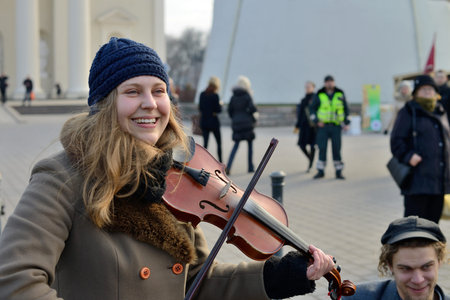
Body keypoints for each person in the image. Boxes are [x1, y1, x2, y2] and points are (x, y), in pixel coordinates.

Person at [0, 37, 335, 300]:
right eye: (132, 91)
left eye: (158, 91)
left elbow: (196, 281)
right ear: (104, 107)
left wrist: (280, 277)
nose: (150, 103)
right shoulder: (64, 176)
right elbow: (14, 279)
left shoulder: (173, 179)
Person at [343, 216, 448, 300]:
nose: (418, 280)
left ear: (439, 261)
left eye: (426, 266)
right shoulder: (355, 297)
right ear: (390, 266)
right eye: (406, 268)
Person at [391, 74, 450, 223]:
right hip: (417, 181)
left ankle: (429, 248)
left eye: (430, 89)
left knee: (432, 226)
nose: (427, 92)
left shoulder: (440, 110)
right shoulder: (409, 111)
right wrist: (409, 156)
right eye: (423, 89)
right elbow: (396, 141)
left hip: (439, 182)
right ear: (416, 93)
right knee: (414, 227)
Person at [310, 75, 350, 179]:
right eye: (327, 81)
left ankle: (338, 171)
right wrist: (316, 121)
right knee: (322, 148)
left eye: (331, 81)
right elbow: (312, 109)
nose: (329, 83)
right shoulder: (319, 94)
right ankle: (320, 171)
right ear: (324, 83)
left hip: (336, 127)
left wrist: (346, 122)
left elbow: (346, 109)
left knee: (337, 149)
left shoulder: (340, 93)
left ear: (334, 82)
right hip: (323, 127)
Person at [226, 75, 258, 175]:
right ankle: (250, 167)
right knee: (250, 145)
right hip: (247, 123)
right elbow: (253, 109)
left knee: (235, 145)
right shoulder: (247, 96)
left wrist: (235, 118)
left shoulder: (233, 97)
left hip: (237, 123)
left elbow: (229, 110)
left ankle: (229, 166)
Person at [199, 76, 223, 162]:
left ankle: (202, 163)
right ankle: (220, 162)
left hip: (204, 122)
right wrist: (220, 104)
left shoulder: (202, 94)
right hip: (214, 123)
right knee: (219, 143)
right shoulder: (215, 96)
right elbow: (218, 110)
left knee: (205, 145)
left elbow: (200, 108)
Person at [294, 80, 317, 172]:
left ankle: (310, 165)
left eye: (309, 86)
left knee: (312, 146)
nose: (307, 88)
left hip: (312, 127)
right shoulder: (303, 100)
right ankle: (310, 159)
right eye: (306, 87)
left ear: (313, 87)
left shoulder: (316, 98)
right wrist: (297, 126)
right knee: (301, 145)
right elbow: (300, 115)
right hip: (304, 126)